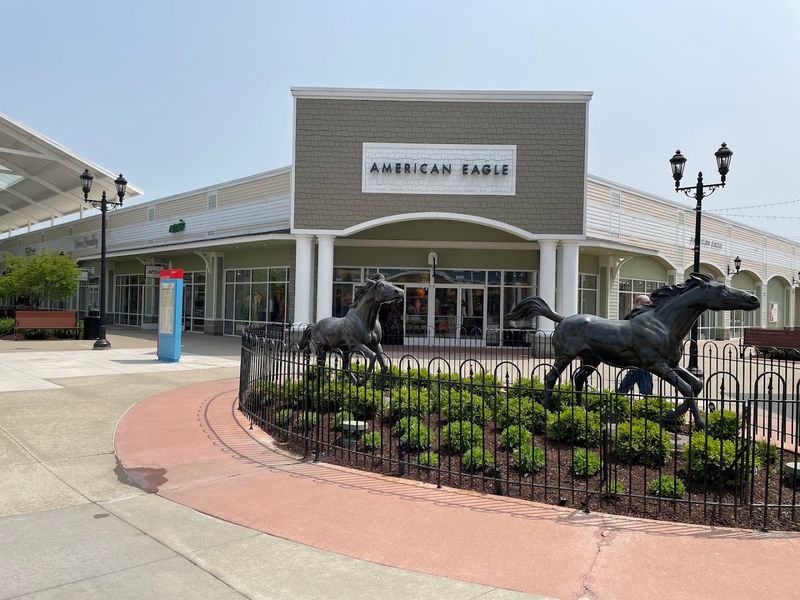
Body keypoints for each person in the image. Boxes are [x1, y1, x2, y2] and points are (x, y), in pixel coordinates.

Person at [617, 294, 654, 396]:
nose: (649, 305)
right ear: (639, 304)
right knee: (642, 377)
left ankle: (619, 395)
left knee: (633, 374)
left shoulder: (645, 317)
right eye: (647, 303)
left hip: (640, 356)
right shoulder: (632, 316)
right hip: (638, 355)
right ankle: (648, 401)